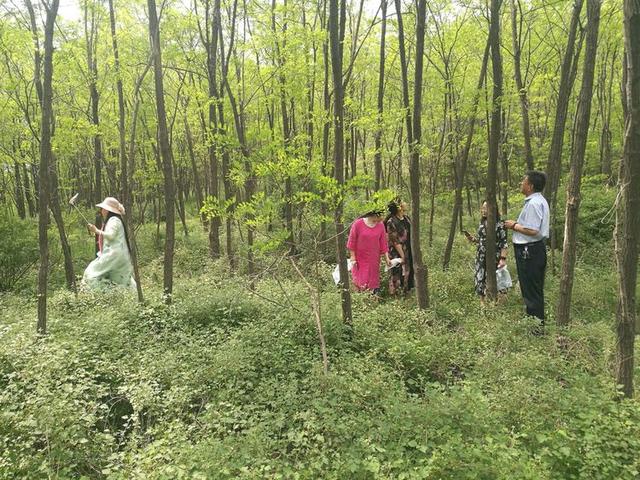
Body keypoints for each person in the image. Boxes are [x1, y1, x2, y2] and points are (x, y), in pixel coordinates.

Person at [503, 171, 550, 327]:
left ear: (530, 186)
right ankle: (534, 324)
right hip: (532, 250)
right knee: (532, 289)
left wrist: (513, 226)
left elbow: (533, 230)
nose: (521, 183)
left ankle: (536, 330)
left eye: (523, 181)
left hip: (529, 251)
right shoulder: (537, 201)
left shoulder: (534, 203)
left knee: (531, 291)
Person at [82, 197, 136, 291]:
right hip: (119, 255)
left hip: (113, 255)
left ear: (107, 210)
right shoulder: (116, 220)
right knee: (119, 280)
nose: (101, 211)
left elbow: (111, 236)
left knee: (91, 273)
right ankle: (120, 298)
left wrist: (96, 231)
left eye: (102, 209)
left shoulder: (114, 220)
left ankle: (101, 294)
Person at [464, 201, 508, 302]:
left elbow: (504, 243)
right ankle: (482, 305)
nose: (483, 211)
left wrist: (502, 259)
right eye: (482, 208)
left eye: (486, 208)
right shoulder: (482, 223)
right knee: (480, 278)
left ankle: (499, 303)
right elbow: (481, 240)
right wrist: (473, 239)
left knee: (498, 280)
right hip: (481, 256)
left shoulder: (500, 224)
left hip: (495, 256)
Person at [347, 210, 391, 296]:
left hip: (374, 259)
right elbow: (352, 241)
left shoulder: (380, 225)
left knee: (373, 280)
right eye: (380, 215)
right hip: (359, 258)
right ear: (374, 214)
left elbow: (383, 243)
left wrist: (387, 258)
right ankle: (360, 301)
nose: (381, 218)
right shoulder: (358, 224)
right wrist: (353, 257)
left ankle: (373, 301)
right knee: (360, 280)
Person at [385, 201, 414, 295]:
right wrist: (402, 255)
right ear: (399, 207)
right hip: (396, 251)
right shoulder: (391, 222)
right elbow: (395, 241)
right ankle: (396, 294)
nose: (406, 203)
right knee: (397, 273)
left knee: (408, 271)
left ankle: (407, 292)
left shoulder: (407, 218)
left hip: (408, 248)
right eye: (403, 202)